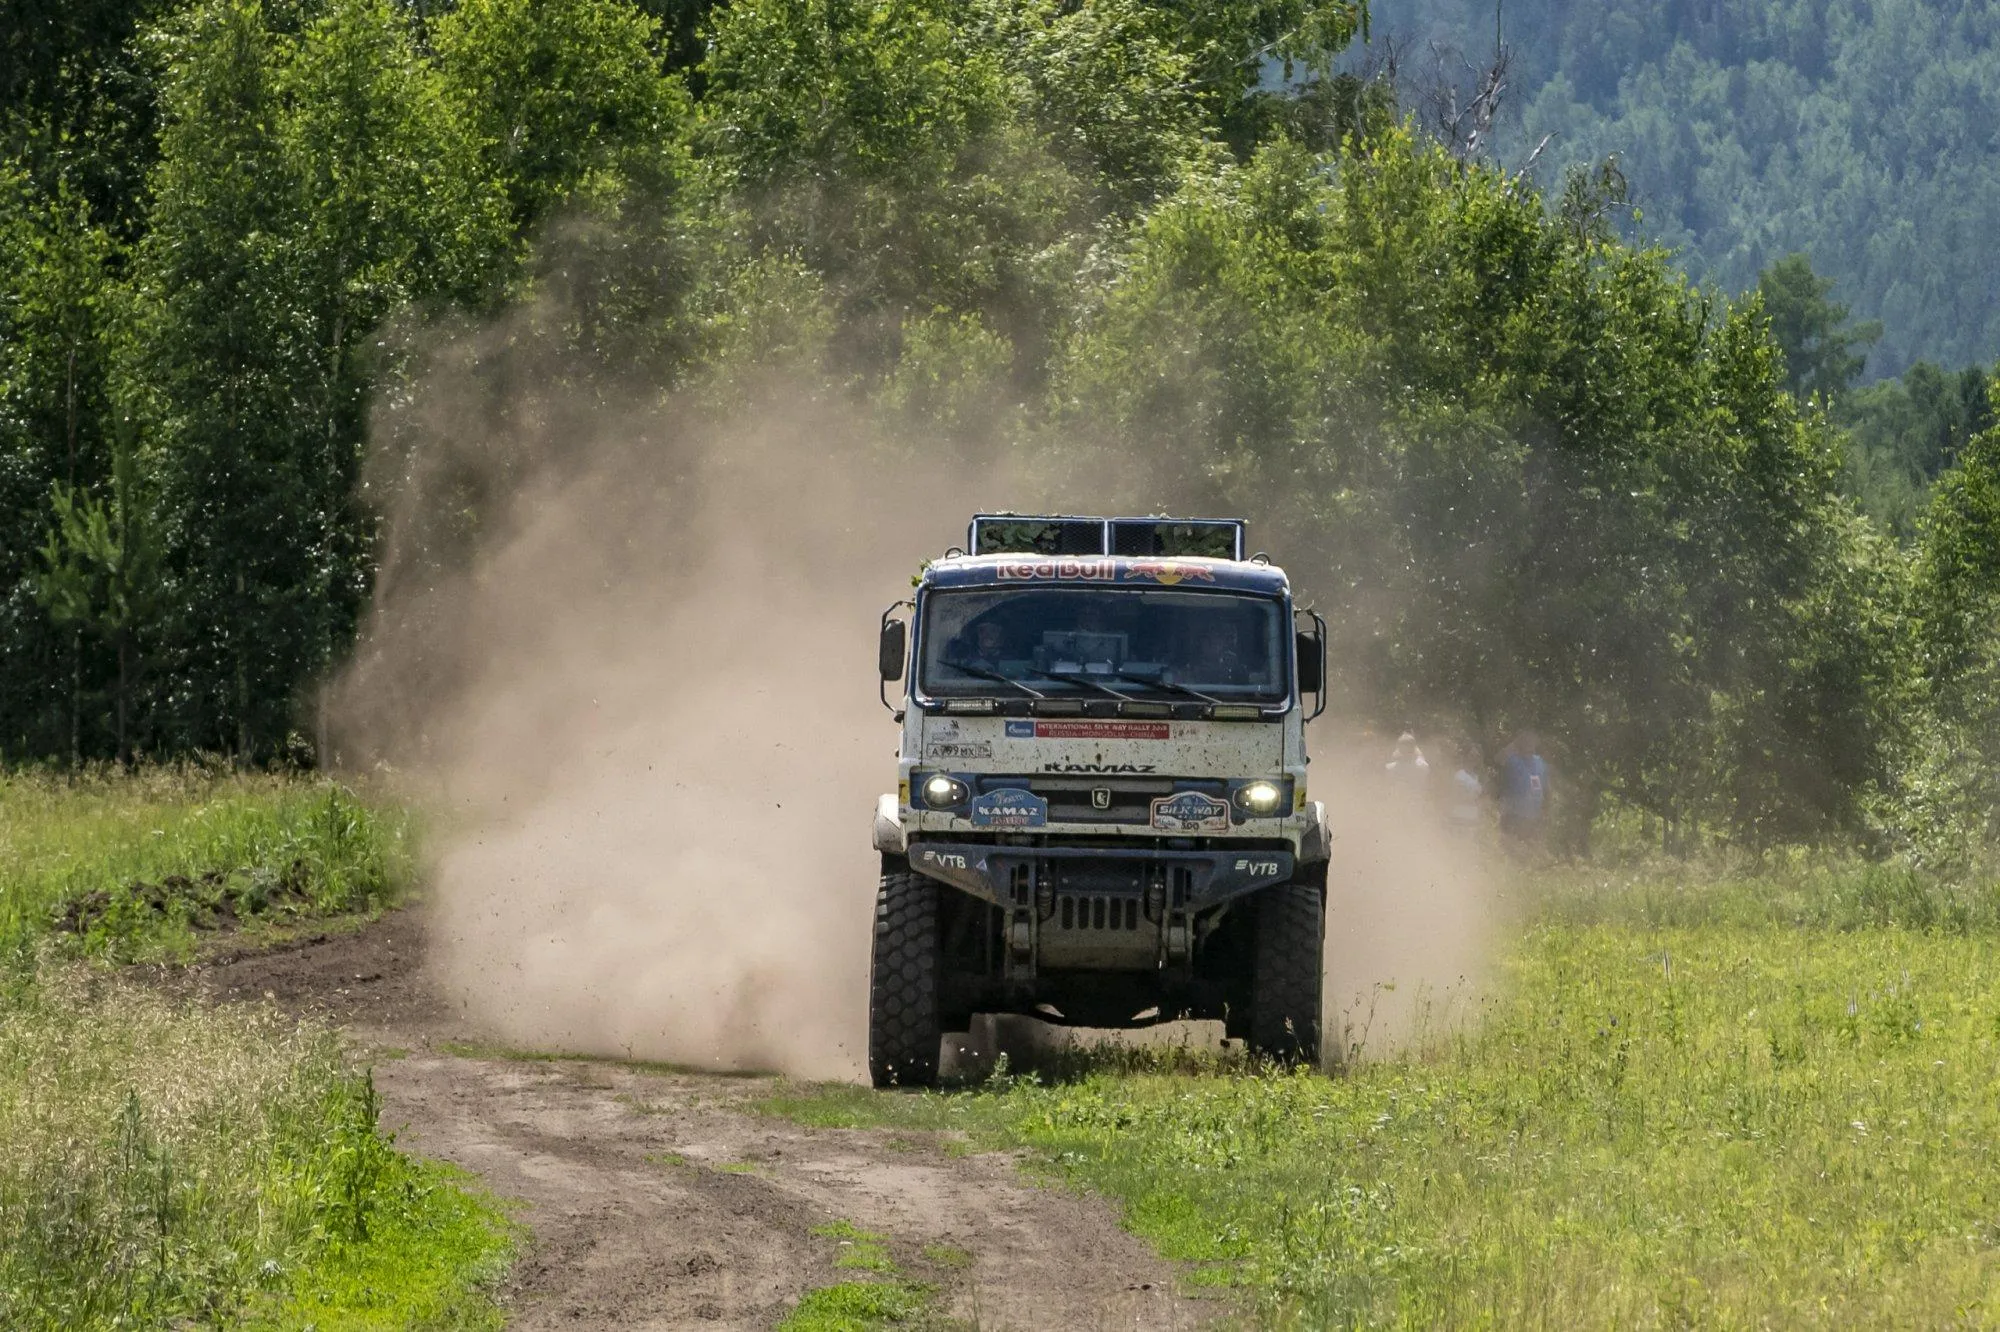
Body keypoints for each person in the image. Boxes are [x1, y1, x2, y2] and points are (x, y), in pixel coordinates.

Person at [1499, 729, 1548, 842]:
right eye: (1526, 741)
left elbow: (1546, 788)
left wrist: (1545, 811)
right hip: (1512, 814)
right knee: (1510, 847)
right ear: (1521, 743)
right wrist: (1514, 743)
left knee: (1525, 851)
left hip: (1532, 817)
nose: (1529, 744)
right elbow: (1499, 759)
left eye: (1532, 741)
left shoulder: (1540, 762)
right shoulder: (1513, 760)